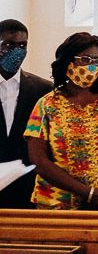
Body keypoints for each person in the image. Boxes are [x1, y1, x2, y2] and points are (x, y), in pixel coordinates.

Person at [24, 32, 98, 211]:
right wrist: (87, 192)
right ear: (68, 61)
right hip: (59, 203)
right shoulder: (47, 104)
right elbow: (39, 161)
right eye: (85, 60)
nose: (92, 67)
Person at [0, 19, 51, 208]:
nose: (17, 51)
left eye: (22, 45)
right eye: (9, 45)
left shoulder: (43, 89)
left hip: (26, 188)